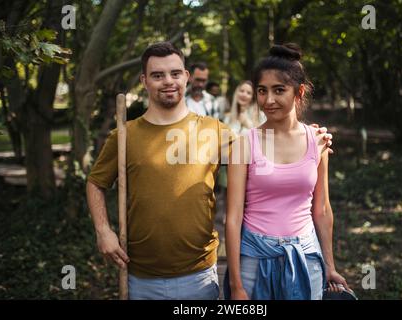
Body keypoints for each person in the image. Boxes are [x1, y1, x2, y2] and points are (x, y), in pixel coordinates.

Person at [86, 41, 333, 300]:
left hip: (199, 274)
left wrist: (312, 138)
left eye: (175, 73)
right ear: (145, 81)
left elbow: (268, 147)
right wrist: (104, 231)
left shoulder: (215, 131)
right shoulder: (125, 135)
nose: (168, 81)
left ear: (187, 78)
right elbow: (95, 182)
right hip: (140, 275)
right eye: (157, 75)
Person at [224, 43, 350, 300]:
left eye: (278, 90)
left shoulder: (318, 141)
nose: (268, 100)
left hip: (306, 258)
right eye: (262, 91)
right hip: (254, 260)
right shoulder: (244, 144)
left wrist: (330, 266)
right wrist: (236, 286)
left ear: (298, 92)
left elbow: (322, 209)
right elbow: (233, 218)